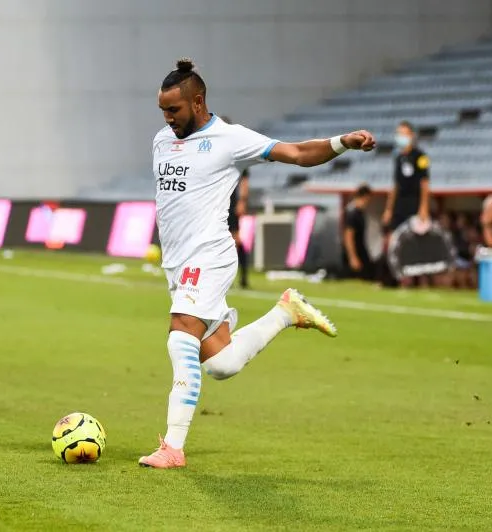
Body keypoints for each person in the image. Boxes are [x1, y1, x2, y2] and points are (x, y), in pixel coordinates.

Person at [140, 59, 375, 469]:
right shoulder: (163, 139)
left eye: (174, 110)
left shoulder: (230, 139)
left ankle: (173, 448)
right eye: (162, 110)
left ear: (198, 102)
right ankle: (286, 313)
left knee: (181, 338)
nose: (167, 118)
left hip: (209, 255)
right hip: (177, 265)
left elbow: (298, 153)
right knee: (221, 364)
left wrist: (342, 142)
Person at [220, 116, 251, 289]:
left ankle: (244, 277)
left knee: (236, 240)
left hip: (230, 202)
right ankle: (223, 278)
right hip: (216, 202)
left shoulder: (237, 152)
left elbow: (244, 180)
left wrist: (242, 202)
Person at [382, 121, 430, 232]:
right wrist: (388, 209)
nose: (401, 137)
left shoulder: (421, 156)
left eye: (404, 134)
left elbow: (425, 182)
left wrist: (424, 207)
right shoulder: (398, 158)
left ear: (411, 135)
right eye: (399, 134)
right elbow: (395, 185)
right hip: (400, 206)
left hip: (415, 205)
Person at [342, 184, 375, 280]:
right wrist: (353, 257)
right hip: (355, 252)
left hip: (361, 250)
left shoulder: (360, 213)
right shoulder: (352, 213)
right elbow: (348, 236)